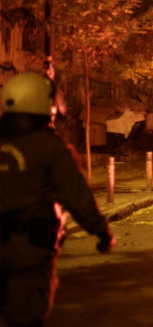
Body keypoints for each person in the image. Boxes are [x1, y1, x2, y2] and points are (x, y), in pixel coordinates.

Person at [0, 71, 115, 327]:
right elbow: (76, 195)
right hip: (28, 250)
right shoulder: (51, 148)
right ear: (44, 105)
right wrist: (101, 232)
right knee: (25, 317)